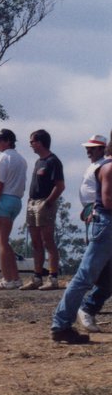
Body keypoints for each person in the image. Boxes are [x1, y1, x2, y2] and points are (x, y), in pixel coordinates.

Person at [50, 151, 112, 344]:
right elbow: (108, 200)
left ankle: (77, 315)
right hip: (107, 226)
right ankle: (61, 325)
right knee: (84, 277)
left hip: (105, 226)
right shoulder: (109, 168)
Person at [76, 135, 112, 333]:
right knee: (98, 271)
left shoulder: (102, 165)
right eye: (88, 147)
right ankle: (86, 308)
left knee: (99, 272)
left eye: (93, 148)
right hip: (99, 216)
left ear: (103, 149)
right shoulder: (100, 166)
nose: (89, 151)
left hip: (100, 216)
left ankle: (85, 309)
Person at [21, 129, 65, 290]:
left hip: (44, 203)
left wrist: (48, 202)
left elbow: (60, 186)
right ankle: (37, 277)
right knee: (36, 242)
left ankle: (53, 278)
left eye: (32, 141)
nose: (30, 145)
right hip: (32, 203)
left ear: (40, 142)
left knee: (48, 241)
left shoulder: (53, 161)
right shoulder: (38, 162)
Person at [0, 129, 28, 290]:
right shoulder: (22, 159)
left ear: (8, 141)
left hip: (4, 199)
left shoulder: (4, 158)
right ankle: (15, 278)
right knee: (5, 240)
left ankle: (7, 279)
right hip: (16, 200)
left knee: (1, 241)